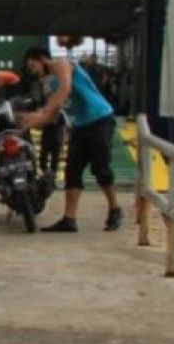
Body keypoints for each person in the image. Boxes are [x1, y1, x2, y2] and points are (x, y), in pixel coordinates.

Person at [17, 47, 123, 232]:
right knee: (72, 171)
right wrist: (29, 121)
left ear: (42, 59)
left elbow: (65, 89)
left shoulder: (61, 64)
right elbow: (52, 115)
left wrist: (41, 112)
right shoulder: (49, 84)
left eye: (32, 65)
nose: (32, 70)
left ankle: (115, 209)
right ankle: (69, 219)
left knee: (100, 168)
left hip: (100, 119)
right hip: (80, 125)